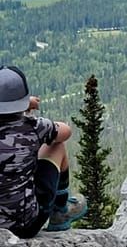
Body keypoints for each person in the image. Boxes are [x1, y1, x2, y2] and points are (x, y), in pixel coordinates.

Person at [0, 64, 86, 236]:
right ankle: (60, 210)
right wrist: (26, 108)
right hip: (24, 226)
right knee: (56, 146)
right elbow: (65, 131)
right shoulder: (34, 127)